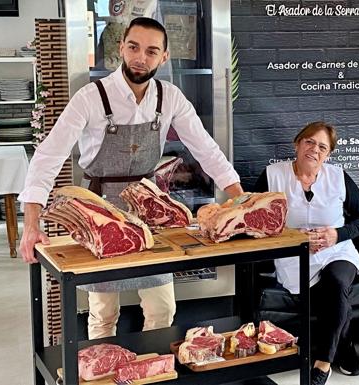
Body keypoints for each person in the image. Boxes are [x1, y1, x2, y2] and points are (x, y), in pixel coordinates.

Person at [18, 17, 243, 339]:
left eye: (152, 51)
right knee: (103, 311)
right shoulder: (91, 96)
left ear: (164, 57)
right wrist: (31, 223)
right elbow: (49, 156)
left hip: (150, 206)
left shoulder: (171, 97)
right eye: (134, 47)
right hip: (99, 208)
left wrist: (239, 198)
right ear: (121, 47)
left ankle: (153, 367)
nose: (141, 57)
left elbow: (206, 149)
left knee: (162, 307)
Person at [254, 122, 359, 385]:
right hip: (294, 256)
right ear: (297, 144)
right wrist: (294, 239)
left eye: (322, 147)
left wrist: (337, 235)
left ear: (328, 154)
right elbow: (255, 220)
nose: (314, 149)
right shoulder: (273, 175)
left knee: (337, 281)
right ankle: (345, 343)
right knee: (332, 298)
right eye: (309, 142)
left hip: (337, 251)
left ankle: (323, 363)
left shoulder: (338, 176)